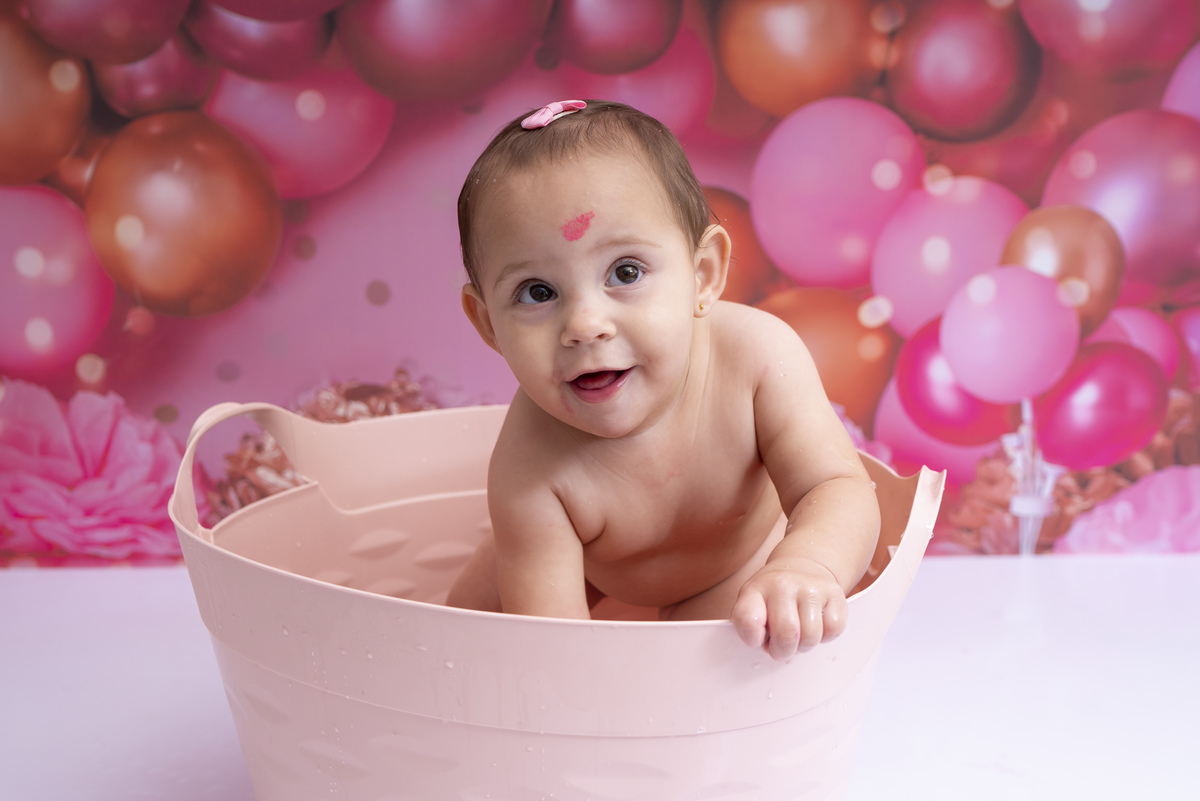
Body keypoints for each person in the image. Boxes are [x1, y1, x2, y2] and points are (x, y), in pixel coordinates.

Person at [446, 99, 880, 662]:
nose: (585, 325)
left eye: (625, 272)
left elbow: (837, 486)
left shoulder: (757, 358)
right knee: (462, 624)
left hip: (735, 565)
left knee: (716, 659)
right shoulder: (528, 466)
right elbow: (555, 657)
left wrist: (807, 565)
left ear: (703, 275)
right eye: (538, 292)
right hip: (591, 563)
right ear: (488, 324)